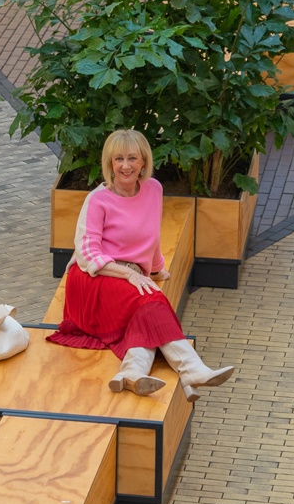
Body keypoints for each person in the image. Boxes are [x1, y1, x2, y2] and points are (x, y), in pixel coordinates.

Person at [47, 129, 235, 401]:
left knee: (146, 306)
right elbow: (87, 254)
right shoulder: (98, 200)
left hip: (127, 276)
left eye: (132, 158)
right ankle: (191, 370)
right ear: (109, 163)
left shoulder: (153, 189)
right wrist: (128, 274)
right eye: (118, 159)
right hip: (92, 278)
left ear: (144, 162)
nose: (125, 166)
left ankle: (131, 373)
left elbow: (151, 234)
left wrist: (156, 268)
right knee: (151, 299)